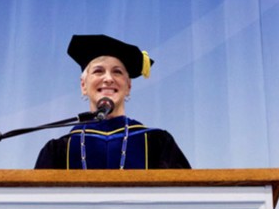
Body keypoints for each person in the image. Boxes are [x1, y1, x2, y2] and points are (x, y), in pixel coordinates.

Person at [35, 34, 190, 170]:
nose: (108, 79)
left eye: (117, 72)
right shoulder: (58, 150)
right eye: (98, 71)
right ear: (83, 85)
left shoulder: (157, 144)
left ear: (128, 86)